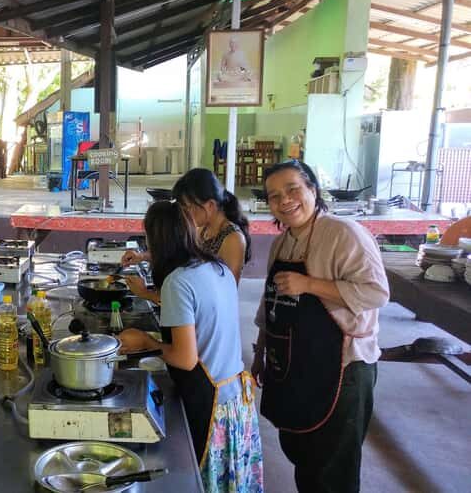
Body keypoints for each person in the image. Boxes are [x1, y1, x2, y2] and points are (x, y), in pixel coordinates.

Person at [252, 160, 388, 493]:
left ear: (313, 190)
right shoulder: (282, 243)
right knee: (302, 453)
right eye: (274, 196)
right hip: (295, 365)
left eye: (293, 189)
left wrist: (310, 284)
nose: (284, 200)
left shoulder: (344, 234)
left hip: (343, 369)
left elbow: (376, 293)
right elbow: (270, 303)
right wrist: (261, 353)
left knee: (333, 471)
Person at [119, 200, 263, 493]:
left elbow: (185, 359)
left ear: (155, 239)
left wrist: (146, 341)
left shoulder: (177, 281)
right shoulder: (214, 267)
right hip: (235, 401)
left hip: (212, 404)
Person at [123, 168, 251, 302]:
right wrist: (142, 256)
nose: (184, 213)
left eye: (187, 207)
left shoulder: (233, 239)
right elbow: (180, 255)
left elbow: (224, 295)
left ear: (210, 205)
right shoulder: (201, 228)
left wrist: (147, 294)